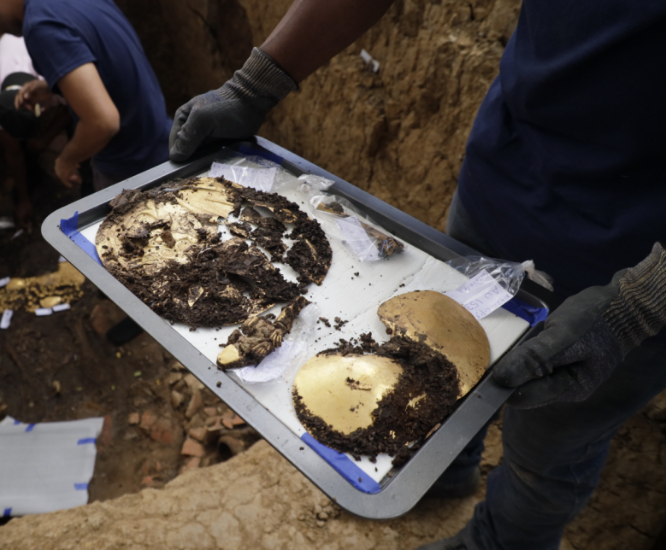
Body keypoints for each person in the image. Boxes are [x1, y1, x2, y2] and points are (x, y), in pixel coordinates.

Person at [168, 1, 666, 549]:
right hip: (502, 184)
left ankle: (501, 541)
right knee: (437, 352)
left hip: (631, 260)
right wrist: (253, 86)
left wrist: (641, 303)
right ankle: (440, 470)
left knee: (551, 444)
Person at [0, 0, 173, 192]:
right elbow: (107, 60)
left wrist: (66, 159)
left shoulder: (40, 25)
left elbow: (102, 122)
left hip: (131, 169)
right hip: (163, 140)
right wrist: (55, 84)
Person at [0, 34, 89, 228]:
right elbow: (13, 153)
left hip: (42, 54)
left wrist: (46, 140)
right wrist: (24, 199)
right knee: (24, 153)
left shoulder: (55, 76)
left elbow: (73, 108)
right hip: (14, 46)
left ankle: (89, 189)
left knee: (78, 123)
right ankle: (30, 185)